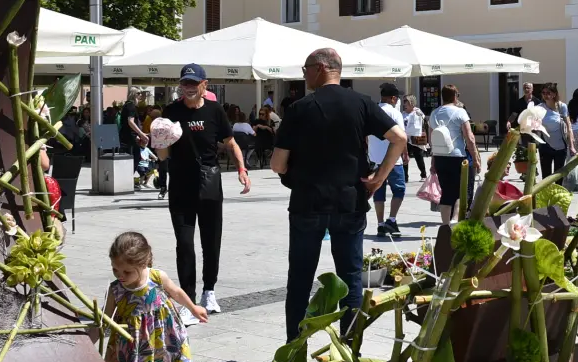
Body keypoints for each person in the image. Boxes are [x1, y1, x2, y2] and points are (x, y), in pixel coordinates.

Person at [272, 49, 405, 340]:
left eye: (306, 68)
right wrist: (378, 178)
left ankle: (293, 353)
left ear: (321, 68)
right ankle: (350, 353)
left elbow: (277, 164)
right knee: (351, 280)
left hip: (308, 202)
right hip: (350, 201)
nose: (303, 74)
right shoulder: (361, 103)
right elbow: (400, 138)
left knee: (300, 280)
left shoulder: (299, 109)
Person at [156, 64, 250, 322]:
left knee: (211, 241)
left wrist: (242, 168)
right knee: (184, 244)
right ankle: (188, 300)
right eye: (184, 83)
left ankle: (209, 290)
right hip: (180, 186)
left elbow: (230, 142)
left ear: (204, 85)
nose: (188, 87)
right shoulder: (171, 112)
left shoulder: (214, 111)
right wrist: (159, 141)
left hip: (208, 184)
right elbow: (163, 154)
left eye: (193, 83)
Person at [103, 231, 207, 362]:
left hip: (168, 342)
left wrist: (193, 308)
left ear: (142, 264)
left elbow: (176, 292)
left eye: (126, 271)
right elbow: (104, 320)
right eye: (115, 270)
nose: (120, 276)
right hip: (135, 350)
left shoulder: (157, 277)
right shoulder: (116, 289)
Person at [426, 85, 479, 225]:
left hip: (440, 157)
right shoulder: (460, 112)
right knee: (460, 190)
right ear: (455, 95)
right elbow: (470, 138)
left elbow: (432, 141)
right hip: (457, 156)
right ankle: (455, 219)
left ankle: (445, 224)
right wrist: (475, 158)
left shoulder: (434, 113)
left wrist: (433, 162)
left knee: (446, 192)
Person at [369, 83, 407, 237]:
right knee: (399, 189)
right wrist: (405, 154)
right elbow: (401, 137)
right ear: (393, 98)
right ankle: (391, 219)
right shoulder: (394, 113)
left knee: (378, 191)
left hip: (374, 159)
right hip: (392, 159)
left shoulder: (372, 111)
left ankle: (380, 223)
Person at [538, 84, 575, 178]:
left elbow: (569, 126)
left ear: (554, 94)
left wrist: (572, 146)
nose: (546, 95)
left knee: (559, 175)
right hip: (545, 144)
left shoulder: (562, 107)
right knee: (546, 176)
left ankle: (558, 192)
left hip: (560, 145)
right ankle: (546, 192)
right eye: (543, 93)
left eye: (548, 93)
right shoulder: (539, 108)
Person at [401, 95, 427, 181]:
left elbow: (423, 121)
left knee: (418, 157)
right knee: (405, 157)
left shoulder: (417, 112)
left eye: (406, 102)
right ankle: (405, 177)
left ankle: (423, 174)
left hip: (416, 139)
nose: (404, 104)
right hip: (406, 139)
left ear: (412, 103)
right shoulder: (403, 114)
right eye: (404, 102)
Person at [119, 92, 148, 159]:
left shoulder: (127, 105)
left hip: (127, 136)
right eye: (138, 93)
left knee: (130, 159)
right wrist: (141, 134)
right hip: (130, 138)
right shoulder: (131, 106)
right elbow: (130, 122)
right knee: (135, 158)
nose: (141, 94)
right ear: (134, 94)